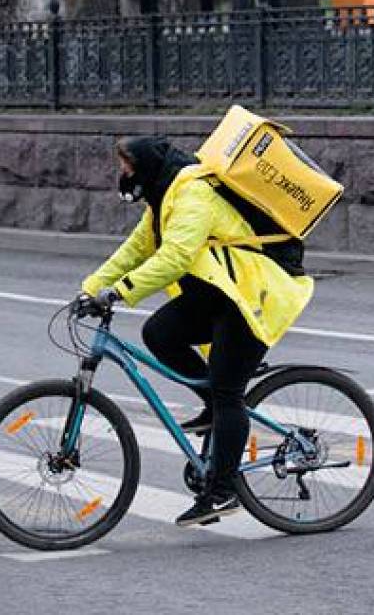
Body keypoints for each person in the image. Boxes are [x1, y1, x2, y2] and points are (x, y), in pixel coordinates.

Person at [79, 135, 313, 526]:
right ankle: (213, 407)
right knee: (160, 333)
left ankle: (222, 492)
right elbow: (135, 250)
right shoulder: (164, 198)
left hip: (253, 295)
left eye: (127, 168)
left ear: (147, 167)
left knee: (228, 393)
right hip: (223, 293)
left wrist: (119, 292)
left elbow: (175, 257)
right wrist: (90, 288)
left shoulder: (193, 193)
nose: (123, 175)